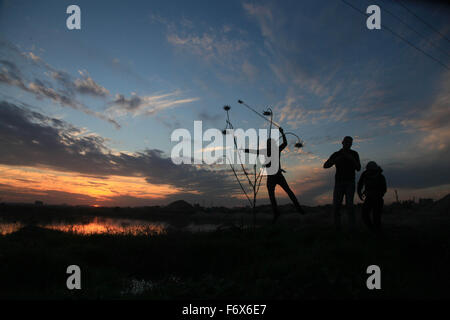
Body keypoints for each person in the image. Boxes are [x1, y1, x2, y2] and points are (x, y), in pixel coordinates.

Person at [245, 127, 305, 223]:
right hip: (273, 177)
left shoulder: (275, 150)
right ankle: (278, 214)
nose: (268, 145)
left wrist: (282, 132)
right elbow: (255, 151)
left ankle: (299, 210)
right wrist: (246, 150)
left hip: (277, 176)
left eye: (269, 143)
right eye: (268, 144)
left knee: (288, 192)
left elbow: (284, 143)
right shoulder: (271, 150)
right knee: (274, 196)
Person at [323, 136, 361, 230]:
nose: (348, 144)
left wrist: (352, 159)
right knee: (336, 206)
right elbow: (325, 165)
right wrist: (335, 160)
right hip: (339, 183)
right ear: (342, 142)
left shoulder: (354, 154)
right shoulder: (337, 154)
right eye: (347, 142)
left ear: (351, 144)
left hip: (350, 183)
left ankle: (352, 228)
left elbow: (358, 168)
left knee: (350, 206)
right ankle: (337, 228)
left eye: (350, 142)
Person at [357, 161, 387, 233]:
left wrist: (375, 194)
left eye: (371, 170)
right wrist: (360, 193)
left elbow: (384, 189)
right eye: (369, 170)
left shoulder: (380, 177)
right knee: (364, 215)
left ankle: (377, 233)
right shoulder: (365, 174)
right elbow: (360, 184)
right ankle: (373, 230)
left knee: (376, 218)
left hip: (378, 199)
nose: (370, 171)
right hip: (369, 199)